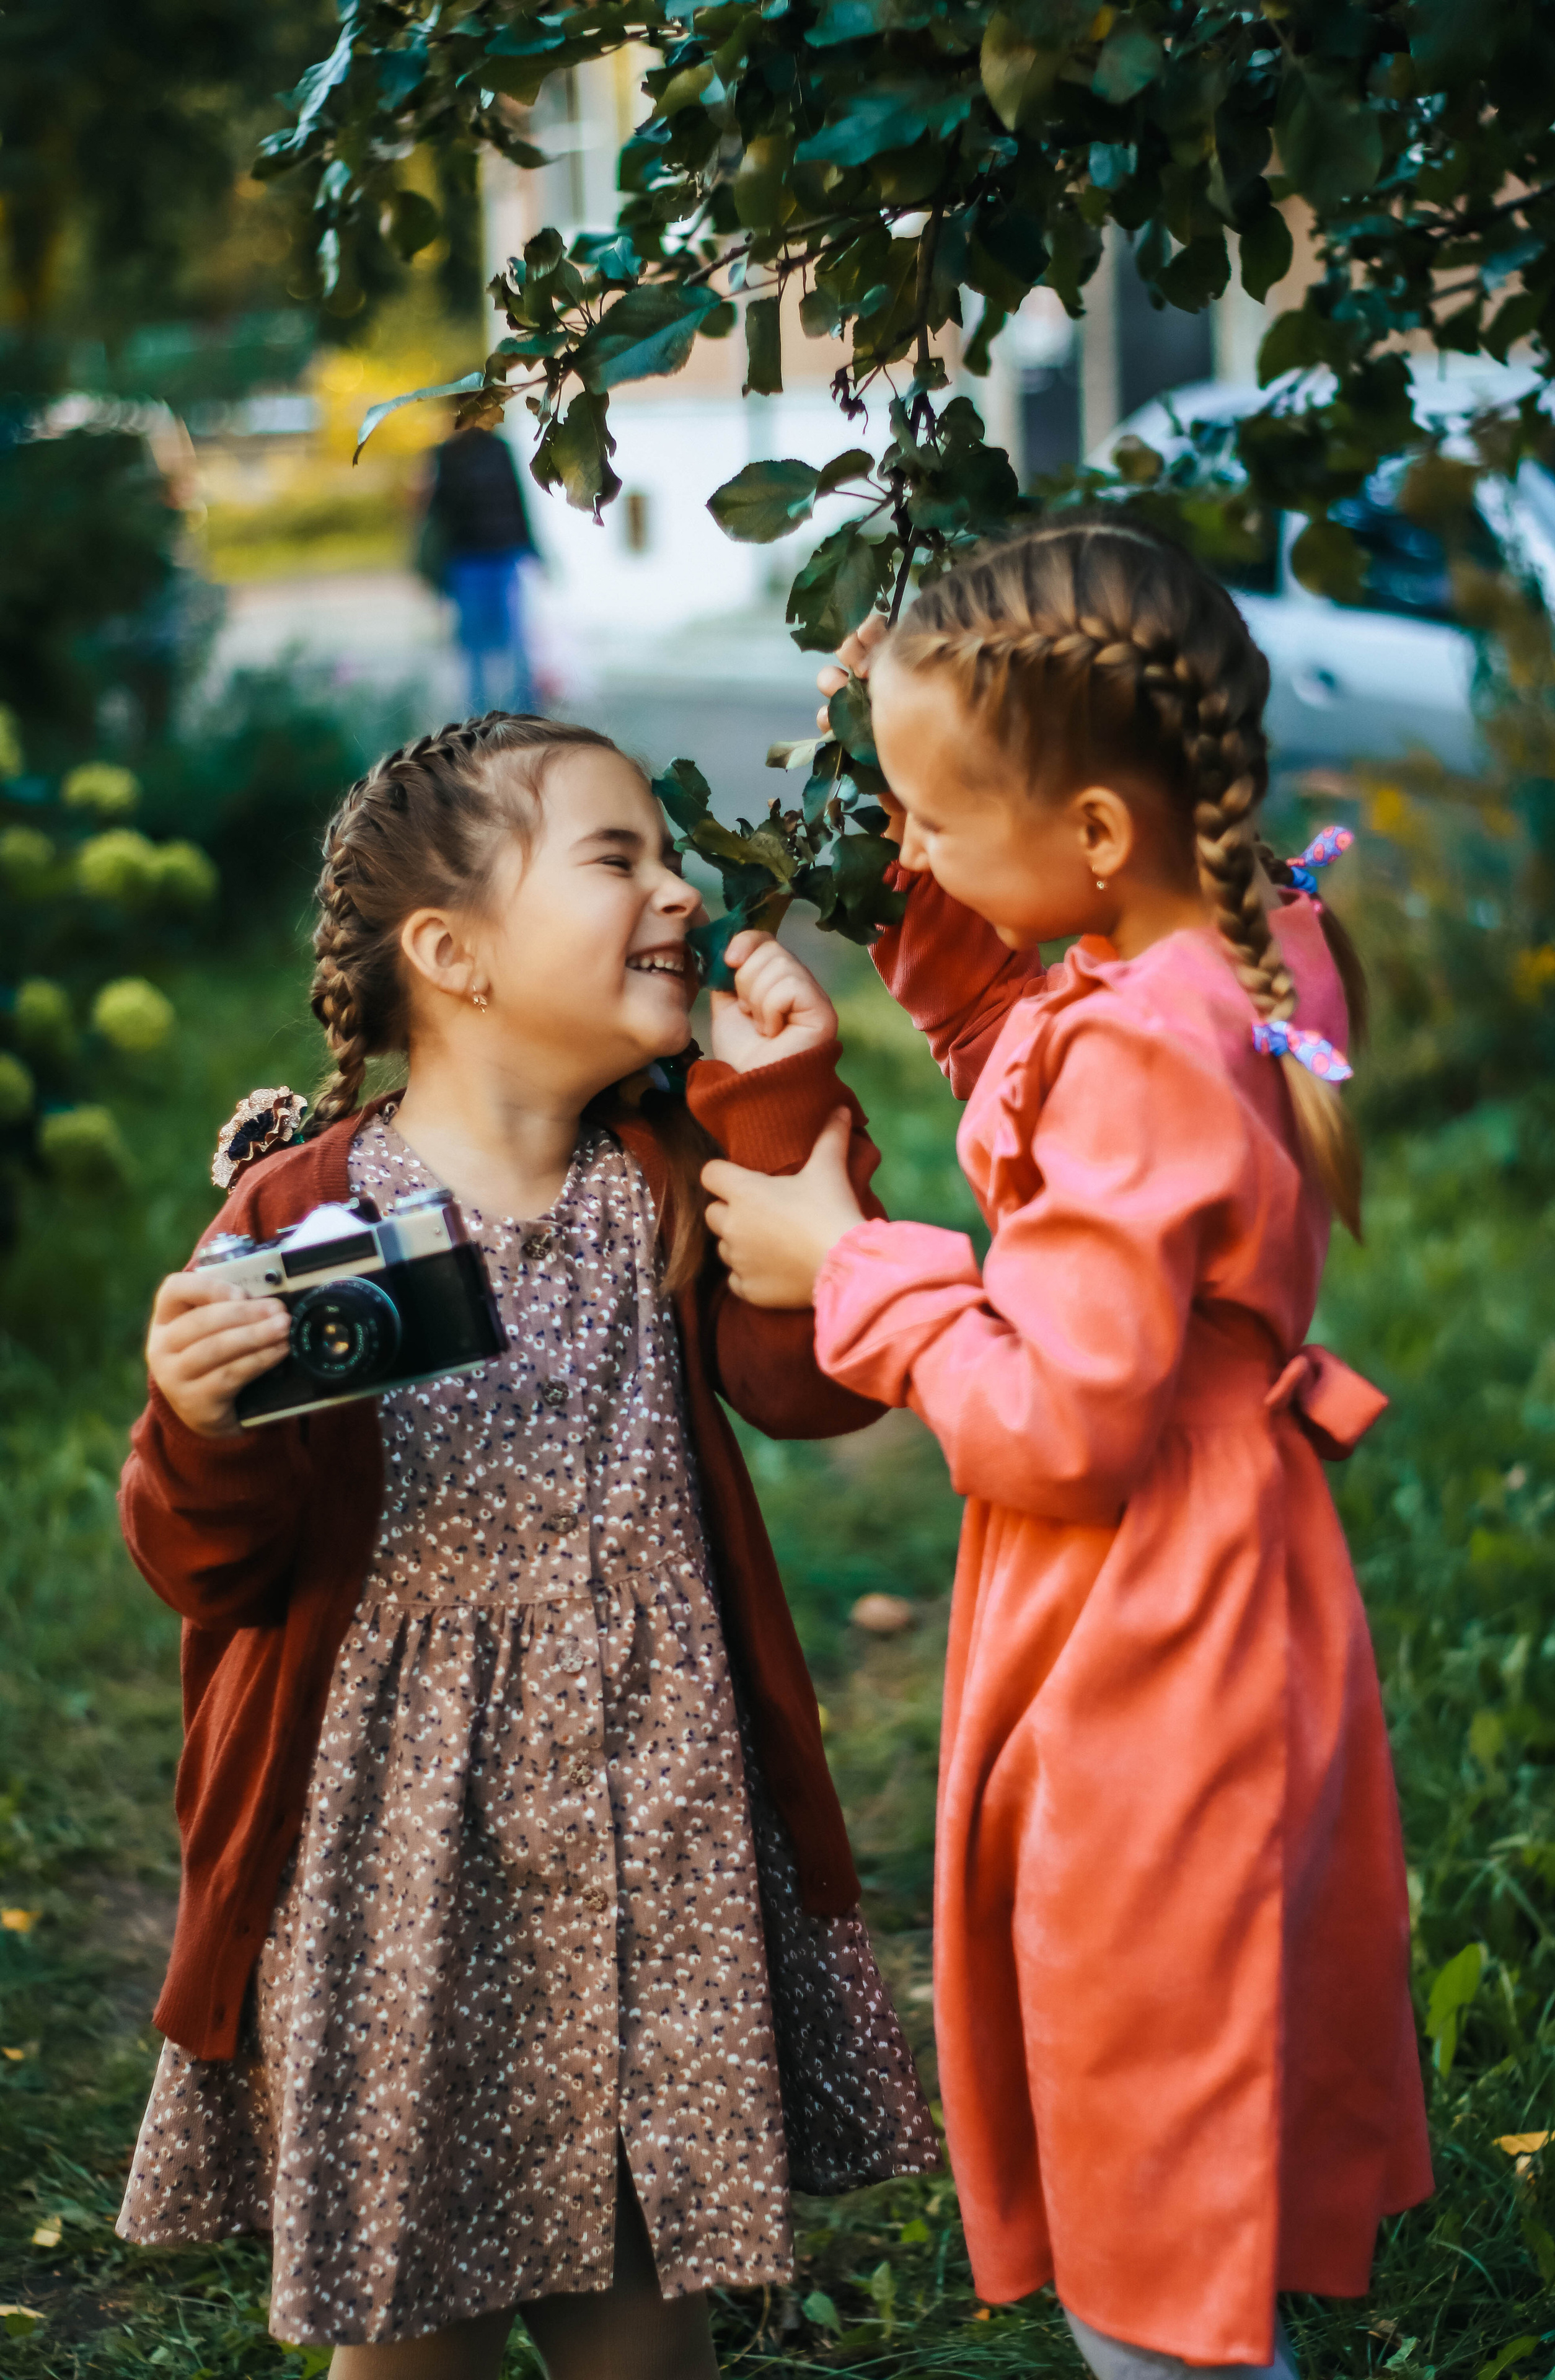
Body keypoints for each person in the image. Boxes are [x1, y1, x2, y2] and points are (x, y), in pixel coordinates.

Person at [115, 712, 938, 2380]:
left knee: (642, 2308)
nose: (681, 892)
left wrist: (777, 1093)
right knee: (414, 2320)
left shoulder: (667, 1172)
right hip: (404, 1855)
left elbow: (813, 1378)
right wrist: (200, 1424)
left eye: (673, 857)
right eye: (618, 856)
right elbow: (210, 1563)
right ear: (453, 953)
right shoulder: (305, 1217)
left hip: (655, 1831)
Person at [698, 520, 1433, 2380]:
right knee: (1193, 2065)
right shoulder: (1241, 941)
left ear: (1094, 831)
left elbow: (1052, 1418)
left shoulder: (1140, 1043)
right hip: (1238, 1575)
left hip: (1148, 1625)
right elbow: (1049, 1081)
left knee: (1142, 2148)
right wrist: (925, 869)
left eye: (936, 817)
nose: (911, 839)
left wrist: (845, 1263)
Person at [421, 425, 540, 713]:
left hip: (497, 557)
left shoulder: (496, 449)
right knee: (478, 646)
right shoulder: (449, 454)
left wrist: (533, 548)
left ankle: (524, 715)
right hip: (470, 560)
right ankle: (479, 717)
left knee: (513, 641)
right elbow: (439, 513)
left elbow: (518, 500)